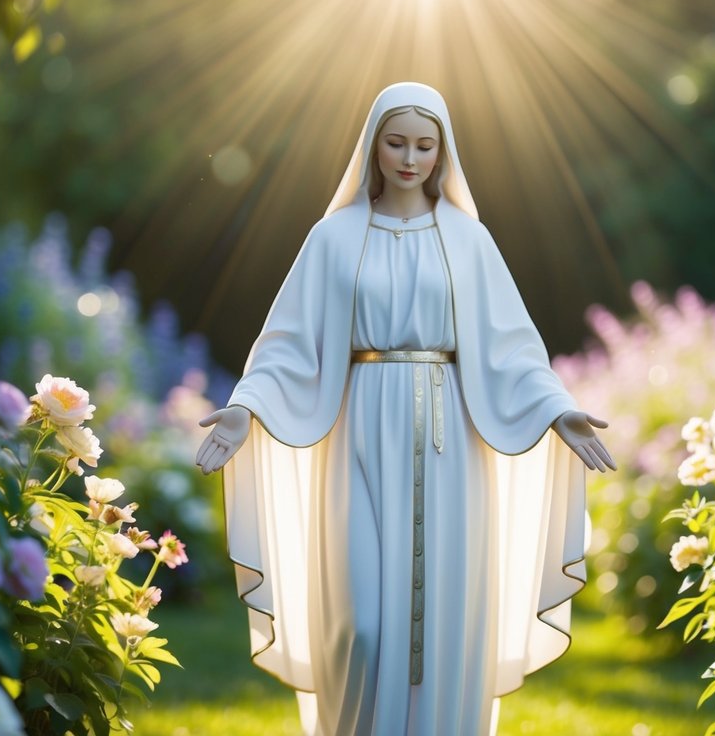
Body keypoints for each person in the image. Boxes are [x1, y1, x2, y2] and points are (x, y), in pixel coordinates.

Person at [196, 81, 615, 736]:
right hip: (360, 431)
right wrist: (246, 406)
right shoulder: (332, 238)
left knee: (448, 624)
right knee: (360, 625)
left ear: (443, 150)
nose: (410, 158)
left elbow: (511, 346)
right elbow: (287, 343)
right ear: (372, 144)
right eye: (397, 142)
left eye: (425, 144)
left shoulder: (468, 239)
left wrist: (555, 409)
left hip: (452, 443)